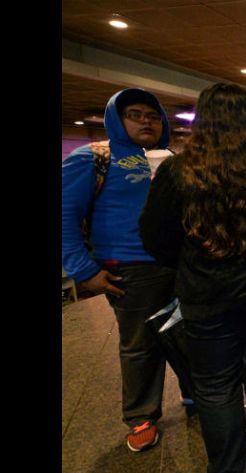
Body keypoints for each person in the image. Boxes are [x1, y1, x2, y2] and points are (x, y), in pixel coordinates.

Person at [139, 83, 246, 473]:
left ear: (203, 119)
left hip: (208, 297)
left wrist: (194, 265)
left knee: (215, 386)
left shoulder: (179, 171)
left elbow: (155, 236)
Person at [61, 87, 194, 453]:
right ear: (116, 119)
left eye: (152, 116)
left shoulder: (170, 159)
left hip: (180, 266)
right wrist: (84, 270)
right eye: (135, 114)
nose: (146, 121)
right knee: (139, 346)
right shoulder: (93, 158)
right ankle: (141, 415)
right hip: (131, 270)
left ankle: (194, 393)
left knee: (189, 334)